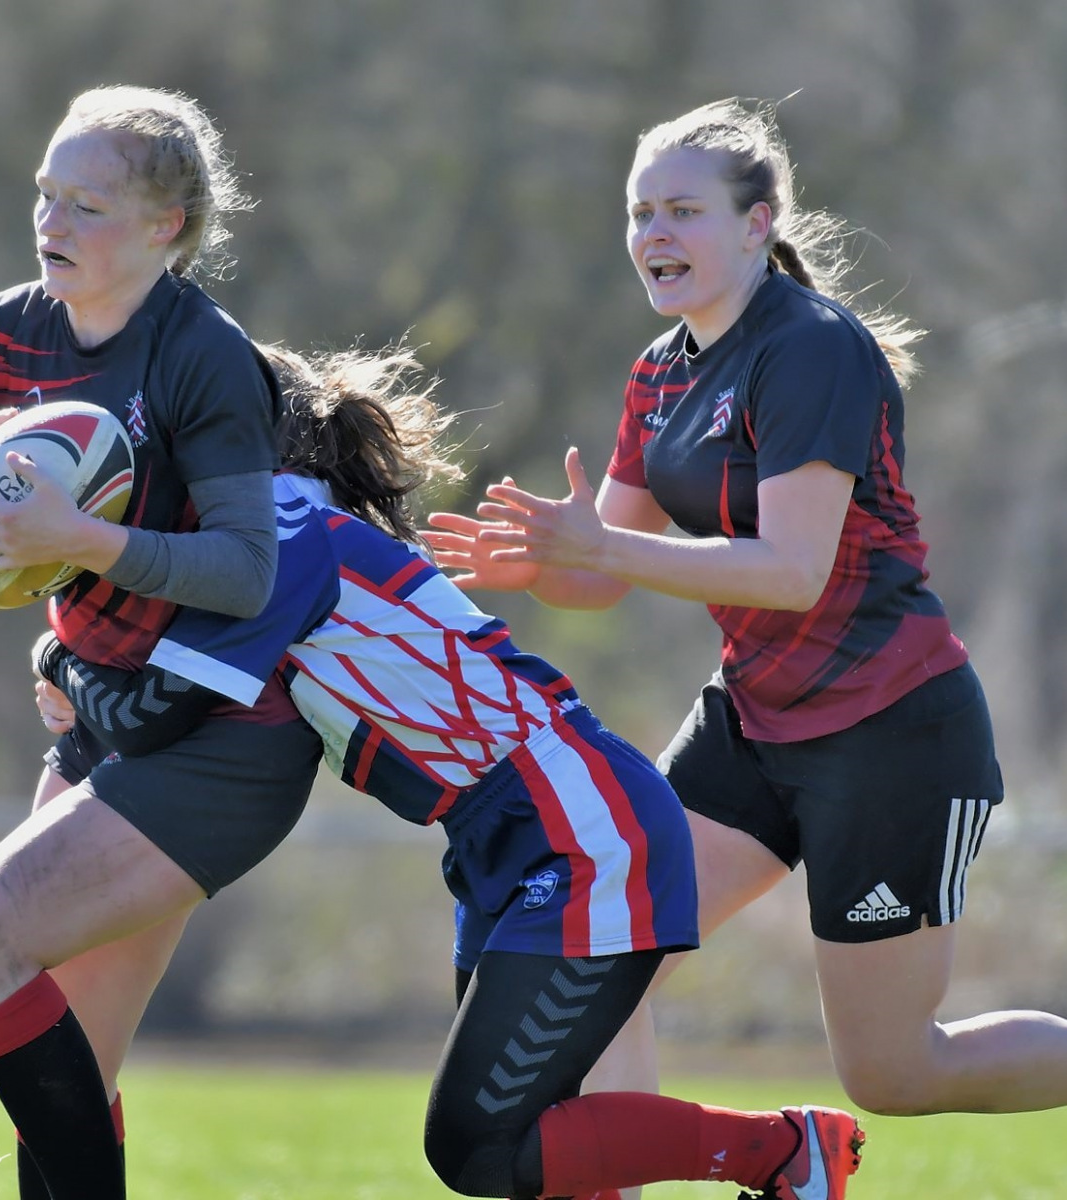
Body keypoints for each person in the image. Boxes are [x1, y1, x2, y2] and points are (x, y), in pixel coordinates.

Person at [29, 340, 868, 1200]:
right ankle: (780, 1152)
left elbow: (152, 711)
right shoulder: (268, 541)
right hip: (506, 839)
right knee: (524, 1141)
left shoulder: (281, 534)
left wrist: (59, 659)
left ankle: (781, 1150)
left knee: (477, 1148)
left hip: (579, 829)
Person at [424, 94, 1067, 1176]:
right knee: (604, 957)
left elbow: (790, 570)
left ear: (757, 222)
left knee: (894, 1072)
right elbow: (604, 576)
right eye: (639, 212)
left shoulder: (810, 348)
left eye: (682, 210)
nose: (653, 233)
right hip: (752, 722)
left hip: (888, 732)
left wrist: (603, 550)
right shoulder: (659, 371)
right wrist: (545, 564)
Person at [0, 85, 325, 1200]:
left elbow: (247, 571)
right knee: (63, 1076)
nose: (52, 221)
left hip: (225, 736)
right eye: (45, 194)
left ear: (165, 226)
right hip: (104, 717)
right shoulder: (9, 328)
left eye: (86, 205)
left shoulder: (199, 356)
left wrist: (80, 539)